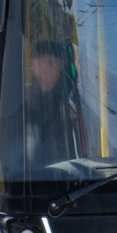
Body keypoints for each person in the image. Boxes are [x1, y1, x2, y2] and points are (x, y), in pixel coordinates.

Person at [19, 39, 84, 170]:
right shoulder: (20, 100)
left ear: (61, 64)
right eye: (41, 61)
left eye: (52, 61)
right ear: (33, 64)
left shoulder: (74, 101)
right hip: (28, 178)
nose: (46, 67)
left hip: (71, 175)